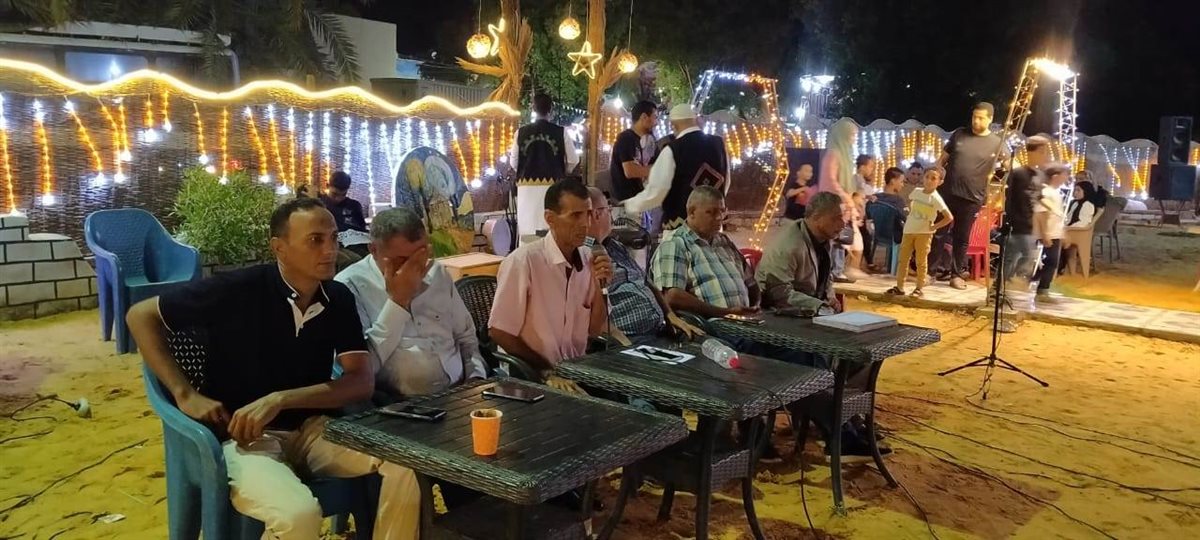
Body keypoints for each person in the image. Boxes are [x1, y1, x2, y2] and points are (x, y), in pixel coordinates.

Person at [125, 198, 418, 540]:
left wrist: (281, 399)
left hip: (313, 430)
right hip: (245, 438)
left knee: (406, 464)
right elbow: (140, 316)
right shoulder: (236, 290)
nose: (330, 250)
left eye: (333, 238)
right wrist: (184, 393)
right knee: (298, 515)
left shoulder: (337, 298)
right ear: (279, 248)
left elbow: (360, 382)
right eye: (315, 240)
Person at [335, 208, 488, 398]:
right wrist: (398, 302)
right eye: (403, 260)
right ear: (373, 250)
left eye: (421, 255)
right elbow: (362, 370)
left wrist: (476, 378)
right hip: (395, 403)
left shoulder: (437, 272)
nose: (415, 268)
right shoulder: (349, 286)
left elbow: (466, 337)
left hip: (459, 391)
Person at [488, 178, 612, 393]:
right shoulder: (524, 261)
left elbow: (594, 330)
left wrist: (602, 285)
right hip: (531, 374)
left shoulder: (589, 259)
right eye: (575, 215)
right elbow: (499, 331)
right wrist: (546, 371)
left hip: (577, 372)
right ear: (550, 219)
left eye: (588, 214)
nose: (585, 224)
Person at [585, 187, 703, 344]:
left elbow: (647, 282)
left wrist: (671, 316)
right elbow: (597, 321)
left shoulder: (615, 246)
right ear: (596, 214)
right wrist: (627, 347)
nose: (612, 213)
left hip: (662, 329)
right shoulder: (585, 256)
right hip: (630, 339)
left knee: (715, 347)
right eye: (608, 209)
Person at [622, 104, 729, 239]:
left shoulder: (673, 149)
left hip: (681, 232)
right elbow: (726, 181)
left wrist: (629, 205)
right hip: (713, 228)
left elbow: (656, 193)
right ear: (694, 120)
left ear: (673, 125)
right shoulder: (719, 144)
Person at [651, 185, 760, 317]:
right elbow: (672, 297)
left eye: (722, 211)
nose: (719, 217)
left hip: (744, 322)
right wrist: (725, 313)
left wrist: (755, 306)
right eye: (712, 212)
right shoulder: (675, 243)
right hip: (708, 325)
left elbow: (751, 283)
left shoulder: (724, 242)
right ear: (692, 212)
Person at [934, 102, 1010, 289]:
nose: (976, 121)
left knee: (962, 237)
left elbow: (1008, 165)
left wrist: (1010, 171)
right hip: (947, 193)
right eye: (974, 116)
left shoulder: (997, 143)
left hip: (972, 197)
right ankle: (929, 272)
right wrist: (938, 171)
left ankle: (956, 275)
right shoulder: (959, 134)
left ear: (990, 119)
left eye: (981, 118)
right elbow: (942, 159)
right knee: (937, 233)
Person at [758, 191, 846, 315]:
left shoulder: (823, 239)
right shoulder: (788, 245)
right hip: (780, 314)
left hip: (808, 310)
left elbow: (825, 277)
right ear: (816, 217)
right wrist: (819, 305)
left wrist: (830, 297)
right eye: (836, 218)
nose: (843, 224)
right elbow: (778, 293)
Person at [887, 167, 953, 298]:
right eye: (927, 177)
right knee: (903, 260)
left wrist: (934, 227)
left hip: (924, 233)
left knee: (921, 261)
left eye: (933, 178)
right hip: (909, 230)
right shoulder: (916, 192)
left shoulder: (936, 198)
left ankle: (919, 288)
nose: (929, 181)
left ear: (940, 182)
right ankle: (899, 286)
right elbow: (911, 204)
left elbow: (949, 217)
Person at [818, 118, 866, 283]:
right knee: (831, 239)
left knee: (839, 238)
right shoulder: (834, 154)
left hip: (841, 205)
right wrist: (845, 197)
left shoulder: (845, 155)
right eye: (851, 135)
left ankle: (836, 271)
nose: (854, 139)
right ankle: (830, 272)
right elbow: (830, 180)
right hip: (832, 204)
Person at [1001, 136, 1050, 287]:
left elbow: (1039, 201)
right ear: (1032, 152)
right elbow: (1008, 199)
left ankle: (1009, 284)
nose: (1045, 155)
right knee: (1013, 259)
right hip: (1017, 226)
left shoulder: (1040, 176)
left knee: (1026, 258)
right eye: (1042, 151)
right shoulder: (1017, 174)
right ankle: (1002, 287)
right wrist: (1010, 220)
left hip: (1031, 227)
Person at [609, 101, 663, 234]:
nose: (657, 123)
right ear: (644, 117)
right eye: (655, 117)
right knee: (632, 241)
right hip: (626, 204)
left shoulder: (651, 140)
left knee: (644, 241)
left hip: (642, 203)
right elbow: (630, 171)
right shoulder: (626, 139)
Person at [509, 93, 580, 181]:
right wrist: (561, 171)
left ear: (533, 109)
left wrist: (523, 172)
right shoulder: (561, 132)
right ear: (551, 109)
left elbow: (514, 162)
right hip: (555, 184)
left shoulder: (520, 132)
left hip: (526, 185)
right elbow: (573, 160)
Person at [1034, 164, 1069, 302]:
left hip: (1055, 232)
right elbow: (1041, 213)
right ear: (1055, 176)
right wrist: (1045, 234)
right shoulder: (1046, 192)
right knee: (1051, 261)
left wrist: (1063, 233)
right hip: (1049, 232)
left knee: (1052, 261)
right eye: (1064, 175)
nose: (1066, 178)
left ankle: (1039, 283)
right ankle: (1042, 289)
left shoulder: (1055, 192)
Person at [1059, 179, 1100, 274]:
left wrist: (1068, 228)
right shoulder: (1075, 203)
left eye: (1078, 190)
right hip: (1070, 230)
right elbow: (1068, 218)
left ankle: (1057, 267)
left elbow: (1083, 222)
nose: (1075, 193)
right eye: (1075, 190)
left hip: (1077, 232)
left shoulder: (1088, 205)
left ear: (1086, 191)